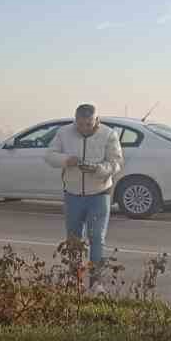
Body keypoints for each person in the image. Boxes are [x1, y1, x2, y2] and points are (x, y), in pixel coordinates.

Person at [44, 104, 124, 280]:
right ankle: (74, 278)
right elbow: (49, 155)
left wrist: (98, 169)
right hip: (72, 194)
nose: (84, 129)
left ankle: (96, 281)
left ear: (97, 120)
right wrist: (66, 160)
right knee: (73, 239)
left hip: (99, 193)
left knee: (96, 237)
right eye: (80, 124)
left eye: (88, 124)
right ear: (75, 120)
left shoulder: (109, 134)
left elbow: (116, 163)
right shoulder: (64, 132)